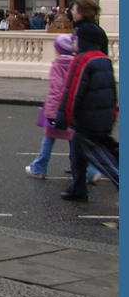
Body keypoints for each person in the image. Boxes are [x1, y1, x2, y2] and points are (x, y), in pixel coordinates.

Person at [54, 22, 119, 202]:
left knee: (102, 160)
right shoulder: (103, 59)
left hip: (86, 120)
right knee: (77, 155)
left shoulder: (82, 60)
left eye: (76, 38)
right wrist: (111, 116)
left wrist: (62, 118)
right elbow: (112, 92)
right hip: (101, 117)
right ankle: (78, 188)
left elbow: (72, 93)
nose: (74, 42)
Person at [25, 33, 101, 182]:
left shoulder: (57, 64)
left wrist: (51, 112)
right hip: (74, 108)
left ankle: (39, 167)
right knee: (74, 139)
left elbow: (56, 89)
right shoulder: (78, 63)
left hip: (57, 108)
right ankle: (90, 171)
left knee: (48, 139)